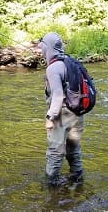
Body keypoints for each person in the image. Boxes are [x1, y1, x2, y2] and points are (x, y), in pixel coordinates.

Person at [38, 32, 85, 186]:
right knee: (74, 150)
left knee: (55, 153)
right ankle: (78, 182)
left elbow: (58, 96)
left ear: (48, 47)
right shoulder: (70, 61)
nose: (41, 49)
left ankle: (51, 188)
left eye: (43, 46)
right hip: (77, 113)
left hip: (61, 115)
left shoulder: (53, 68)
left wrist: (50, 118)